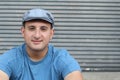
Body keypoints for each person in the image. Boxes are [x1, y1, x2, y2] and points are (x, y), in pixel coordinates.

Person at [0, 8, 83, 80]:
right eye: (31, 28)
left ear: (51, 33)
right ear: (23, 32)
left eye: (43, 29)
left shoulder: (61, 59)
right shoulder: (10, 59)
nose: (37, 35)